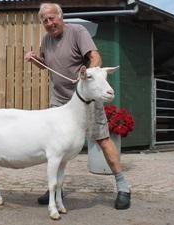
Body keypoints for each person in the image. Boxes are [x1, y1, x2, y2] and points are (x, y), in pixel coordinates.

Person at [25, 3, 130, 210]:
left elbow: (94, 56)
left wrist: (90, 75)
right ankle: (56, 190)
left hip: (85, 100)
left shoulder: (78, 32)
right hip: (59, 100)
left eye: (52, 18)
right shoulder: (46, 40)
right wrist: (34, 59)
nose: (49, 23)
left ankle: (123, 187)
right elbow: (45, 64)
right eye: (45, 20)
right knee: (55, 147)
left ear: (61, 17)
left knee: (102, 138)